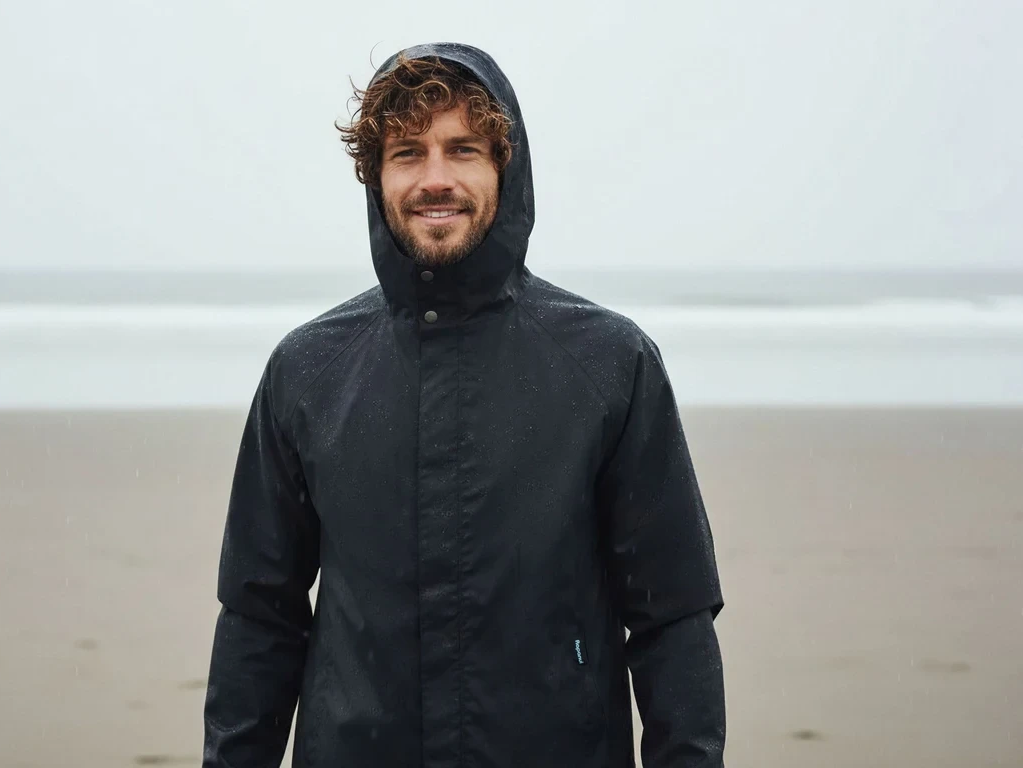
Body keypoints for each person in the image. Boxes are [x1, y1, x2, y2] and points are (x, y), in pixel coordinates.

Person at [201, 42, 725, 768]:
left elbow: (673, 617)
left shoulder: (611, 362)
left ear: (505, 168)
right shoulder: (308, 370)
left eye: (463, 149)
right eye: (408, 153)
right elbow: (259, 619)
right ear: (376, 177)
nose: (435, 178)